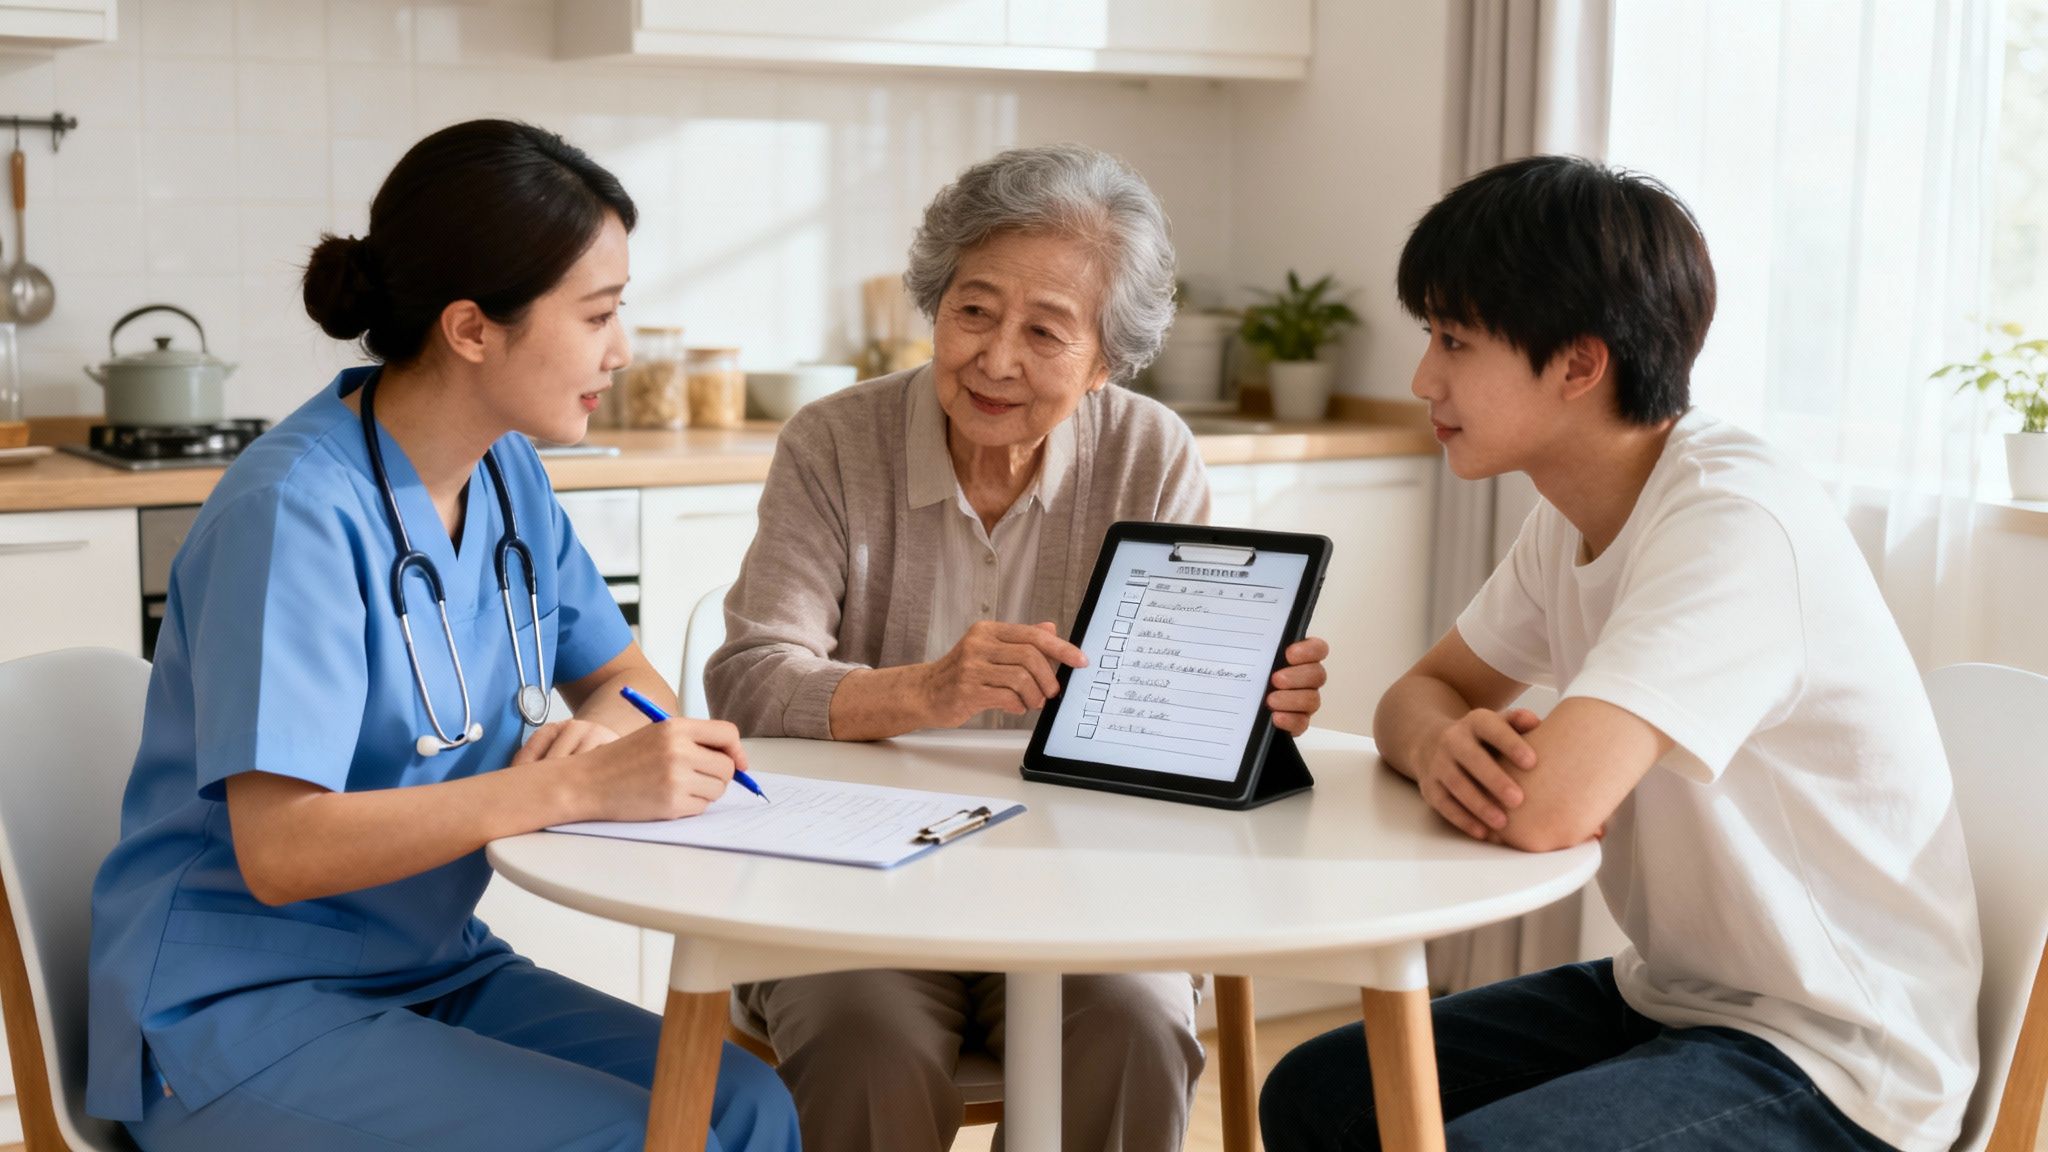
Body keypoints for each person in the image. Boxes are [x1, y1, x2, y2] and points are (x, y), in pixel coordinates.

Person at [85, 119, 799, 1152]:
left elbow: (626, 678)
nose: (621, 350)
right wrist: (571, 787)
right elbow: (280, 852)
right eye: (597, 314)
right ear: (471, 329)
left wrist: (600, 733)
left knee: (745, 1107)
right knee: (629, 1139)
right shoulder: (294, 512)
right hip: (235, 1013)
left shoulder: (507, 472)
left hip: (430, 964)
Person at [1258, 155, 1982, 1152]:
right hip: (1678, 997)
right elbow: (1418, 694)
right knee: (1321, 1090)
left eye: (1453, 340)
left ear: (1576, 365)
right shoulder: (1573, 508)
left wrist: (1462, 747)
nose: (1422, 378)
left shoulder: (1732, 523)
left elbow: (1548, 810)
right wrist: (1437, 746)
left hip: (1835, 1056)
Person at [706, 143, 1330, 1151]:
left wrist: (1245, 703)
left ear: (1104, 362)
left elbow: (1174, 713)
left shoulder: (1149, 451)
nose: (994, 359)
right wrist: (922, 690)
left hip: (1090, 882)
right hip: (857, 876)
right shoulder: (831, 442)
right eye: (973, 311)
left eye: (1044, 331)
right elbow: (745, 678)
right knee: (864, 1040)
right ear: (934, 304)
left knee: (1133, 1022)